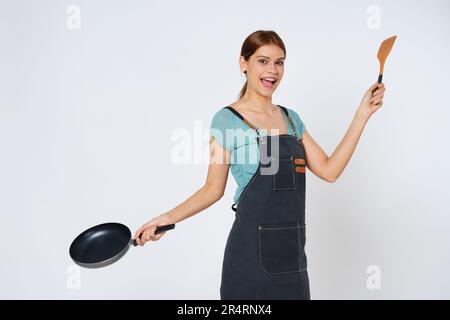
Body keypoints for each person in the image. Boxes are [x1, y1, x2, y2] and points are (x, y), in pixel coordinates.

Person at [133, 30, 385, 299]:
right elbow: (212, 189)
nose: (273, 70)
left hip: (293, 260)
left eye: (279, 62)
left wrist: (362, 115)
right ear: (244, 63)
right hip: (248, 260)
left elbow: (329, 170)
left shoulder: (291, 119)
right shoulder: (227, 120)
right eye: (263, 61)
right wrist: (166, 218)